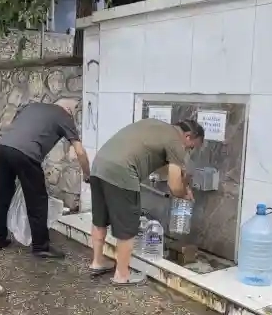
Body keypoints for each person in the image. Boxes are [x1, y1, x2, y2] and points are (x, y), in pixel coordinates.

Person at [87, 119, 204, 286]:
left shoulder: (156, 126)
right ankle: (122, 275)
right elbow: (173, 185)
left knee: (100, 219)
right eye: (191, 147)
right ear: (188, 136)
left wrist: (184, 182)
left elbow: (160, 167)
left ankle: (97, 262)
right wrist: (183, 195)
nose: (188, 151)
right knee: (127, 226)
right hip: (122, 172)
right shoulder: (176, 141)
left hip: (99, 166)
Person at [0, 98, 91, 259]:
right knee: (37, 200)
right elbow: (79, 151)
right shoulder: (64, 116)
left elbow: (16, 125)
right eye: (73, 112)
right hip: (26, 153)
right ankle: (40, 246)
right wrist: (87, 174)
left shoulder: (32, 106)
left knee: (2, 194)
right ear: (68, 110)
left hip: (4, 147)